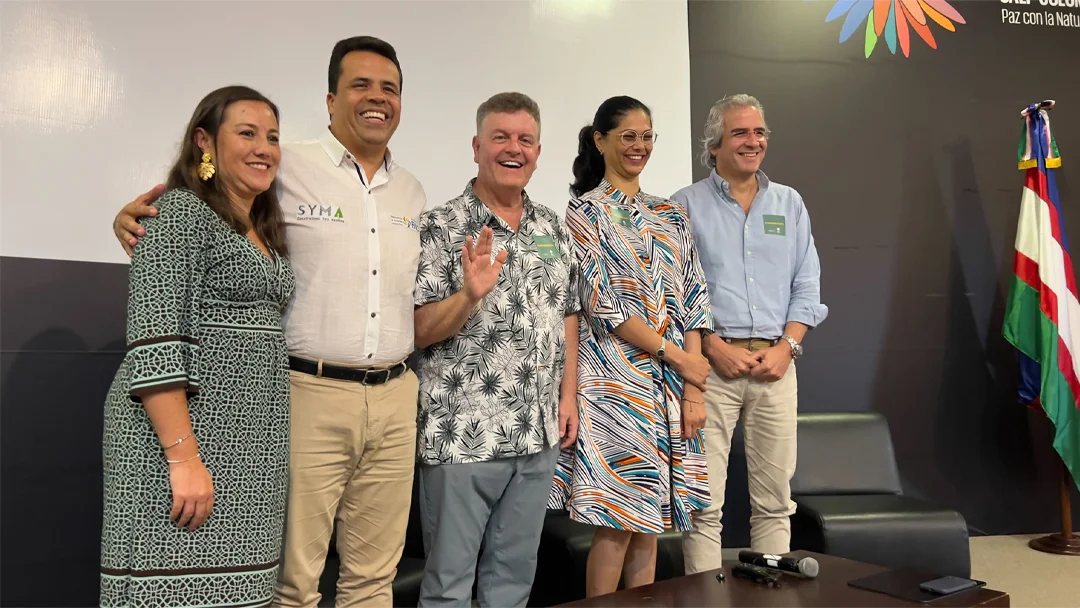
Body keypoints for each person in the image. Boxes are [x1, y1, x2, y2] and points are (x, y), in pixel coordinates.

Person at [110, 36, 426, 607]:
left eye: (390, 88)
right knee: (290, 583)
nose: (377, 98)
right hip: (298, 396)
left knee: (370, 578)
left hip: (319, 417)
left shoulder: (411, 190)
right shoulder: (283, 169)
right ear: (331, 101)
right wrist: (130, 221)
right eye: (360, 84)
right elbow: (179, 244)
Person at [99, 85, 294, 607]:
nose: (264, 148)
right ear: (204, 142)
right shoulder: (179, 213)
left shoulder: (262, 227)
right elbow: (155, 340)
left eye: (272, 137)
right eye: (247, 133)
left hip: (249, 453)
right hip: (184, 444)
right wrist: (183, 458)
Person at [411, 92, 580, 607]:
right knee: (448, 586)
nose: (514, 149)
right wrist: (468, 295)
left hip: (538, 435)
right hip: (463, 436)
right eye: (500, 138)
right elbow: (417, 329)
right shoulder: (440, 226)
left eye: (524, 140)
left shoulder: (552, 226)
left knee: (512, 583)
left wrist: (568, 396)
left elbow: (568, 313)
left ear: (538, 149)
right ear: (477, 146)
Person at [549, 95, 714, 597]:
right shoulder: (583, 214)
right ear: (600, 141)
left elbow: (694, 299)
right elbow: (604, 304)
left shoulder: (670, 214)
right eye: (628, 136)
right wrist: (679, 356)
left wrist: (693, 385)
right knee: (616, 524)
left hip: (669, 390)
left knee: (651, 527)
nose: (639, 146)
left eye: (646, 136)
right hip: (613, 389)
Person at [672, 94, 828, 574]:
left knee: (775, 501)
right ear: (714, 144)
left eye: (760, 132)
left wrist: (789, 347)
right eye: (740, 133)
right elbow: (673, 294)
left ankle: (771, 597)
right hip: (711, 371)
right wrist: (713, 347)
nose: (753, 141)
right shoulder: (684, 205)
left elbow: (807, 284)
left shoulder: (789, 203)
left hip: (777, 369)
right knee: (703, 504)